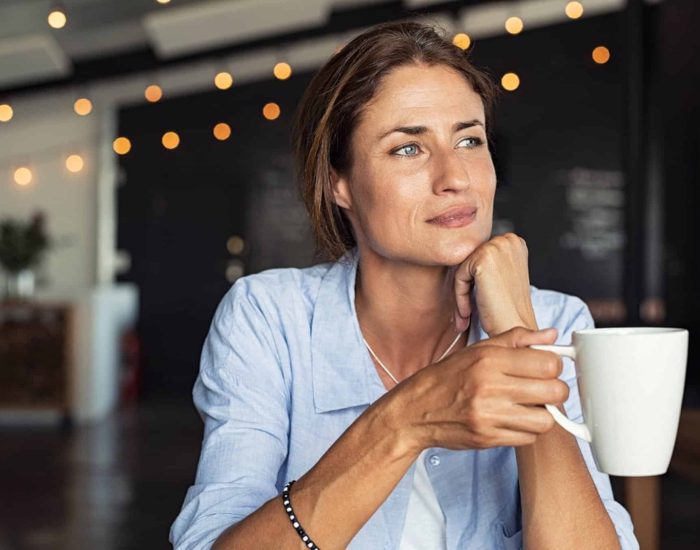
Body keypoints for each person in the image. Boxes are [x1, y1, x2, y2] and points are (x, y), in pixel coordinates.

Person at [170, 21, 638, 550]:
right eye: (408, 149)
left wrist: (515, 325)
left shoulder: (558, 323)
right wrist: (405, 421)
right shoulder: (268, 318)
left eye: (469, 140)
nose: (455, 176)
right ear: (337, 182)